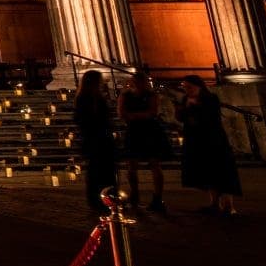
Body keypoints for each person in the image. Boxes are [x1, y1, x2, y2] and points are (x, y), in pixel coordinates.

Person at [178, 75, 241, 216]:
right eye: (184, 87)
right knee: (207, 171)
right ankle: (214, 203)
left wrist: (194, 107)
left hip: (214, 140)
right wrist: (184, 109)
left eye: (189, 87)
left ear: (199, 86)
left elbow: (212, 117)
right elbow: (181, 118)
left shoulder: (210, 99)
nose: (186, 90)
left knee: (221, 170)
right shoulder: (185, 99)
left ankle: (228, 205)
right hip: (196, 139)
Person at [120, 71, 172, 214]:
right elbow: (122, 113)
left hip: (146, 131)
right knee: (134, 164)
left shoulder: (148, 95)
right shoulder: (128, 96)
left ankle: (154, 197)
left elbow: (152, 113)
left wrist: (133, 116)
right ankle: (137, 194)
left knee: (152, 164)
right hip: (140, 130)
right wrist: (142, 115)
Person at [75, 69, 118, 221]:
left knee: (102, 169)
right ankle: (101, 198)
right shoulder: (87, 99)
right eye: (100, 80)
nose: (103, 82)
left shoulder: (90, 97)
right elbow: (82, 120)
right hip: (96, 139)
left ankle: (106, 197)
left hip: (98, 138)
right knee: (98, 170)